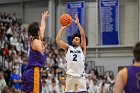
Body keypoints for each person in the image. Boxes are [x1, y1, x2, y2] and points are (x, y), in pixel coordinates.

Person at [56, 14, 88, 93]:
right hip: (70, 77)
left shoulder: (82, 48)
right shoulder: (68, 48)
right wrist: (62, 28)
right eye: (73, 39)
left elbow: (83, 35)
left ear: (80, 42)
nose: (74, 40)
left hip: (80, 77)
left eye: (76, 39)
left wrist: (78, 24)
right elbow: (58, 40)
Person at [21, 10, 49, 93]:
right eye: (39, 28)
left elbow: (43, 26)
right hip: (34, 72)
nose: (41, 29)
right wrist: (41, 49)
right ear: (38, 31)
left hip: (29, 71)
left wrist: (43, 19)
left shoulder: (38, 37)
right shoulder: (36, 41)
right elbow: (38, 46)